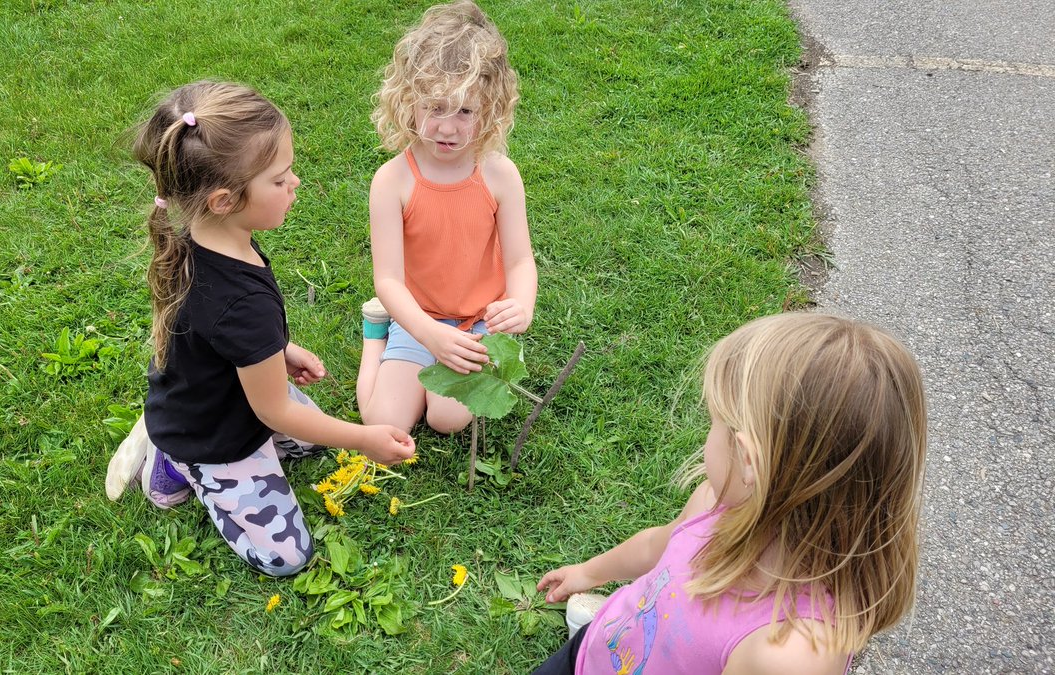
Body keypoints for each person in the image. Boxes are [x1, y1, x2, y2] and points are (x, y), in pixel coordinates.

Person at [104, 81, 415, 576]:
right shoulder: (239, 301)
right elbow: (275, 409)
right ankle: (175, 461)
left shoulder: (197, 234)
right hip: (214, 435)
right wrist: (362, 438)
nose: (295, 184)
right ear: (225, 200)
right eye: (279, 179)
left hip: (219, 393)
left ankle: (173, 434)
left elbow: (210, 334)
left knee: (314, 441)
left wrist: (277, 350)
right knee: (287, 558)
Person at [532, 313, 928, 674]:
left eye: (716, 424)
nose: (708, 435)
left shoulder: (789, 651)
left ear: (749, 460)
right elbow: (658, 544)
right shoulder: (715, 505)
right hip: (595, 652)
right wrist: (589, 573)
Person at [356, 0, 537, 434]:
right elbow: (389, 280)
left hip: (478, 320)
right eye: (435, 108)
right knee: (383, 421)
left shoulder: (499, 174)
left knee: (447, 419)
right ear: (407, 100)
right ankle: (373, 334)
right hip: (416, 315)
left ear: (490, 109)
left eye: (465, 111)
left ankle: (469, 354)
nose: (448, 128)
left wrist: (521, 306)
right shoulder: (392, 181)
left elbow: (519, 260)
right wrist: (427, 333)